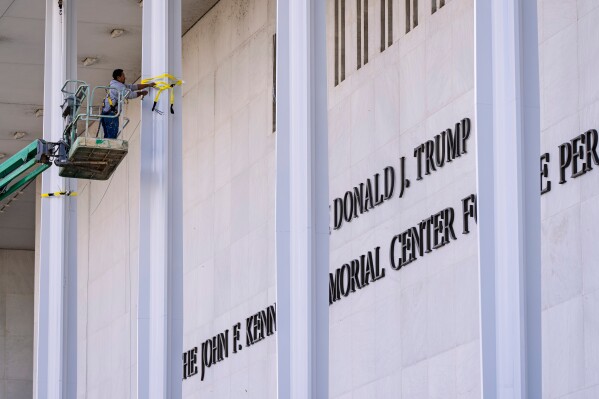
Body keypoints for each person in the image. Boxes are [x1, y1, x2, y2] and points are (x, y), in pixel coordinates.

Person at [101, 69, 155, 139]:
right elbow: (130, 95)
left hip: (106, 113)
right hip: (110, 114)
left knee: (108, 137)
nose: (125, 77)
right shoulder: (118, 86)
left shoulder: (116, 85)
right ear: (118, 77)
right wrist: (142, 93)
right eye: (123, 75)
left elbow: (132, 87)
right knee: (112, 137)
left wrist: (148, 85)